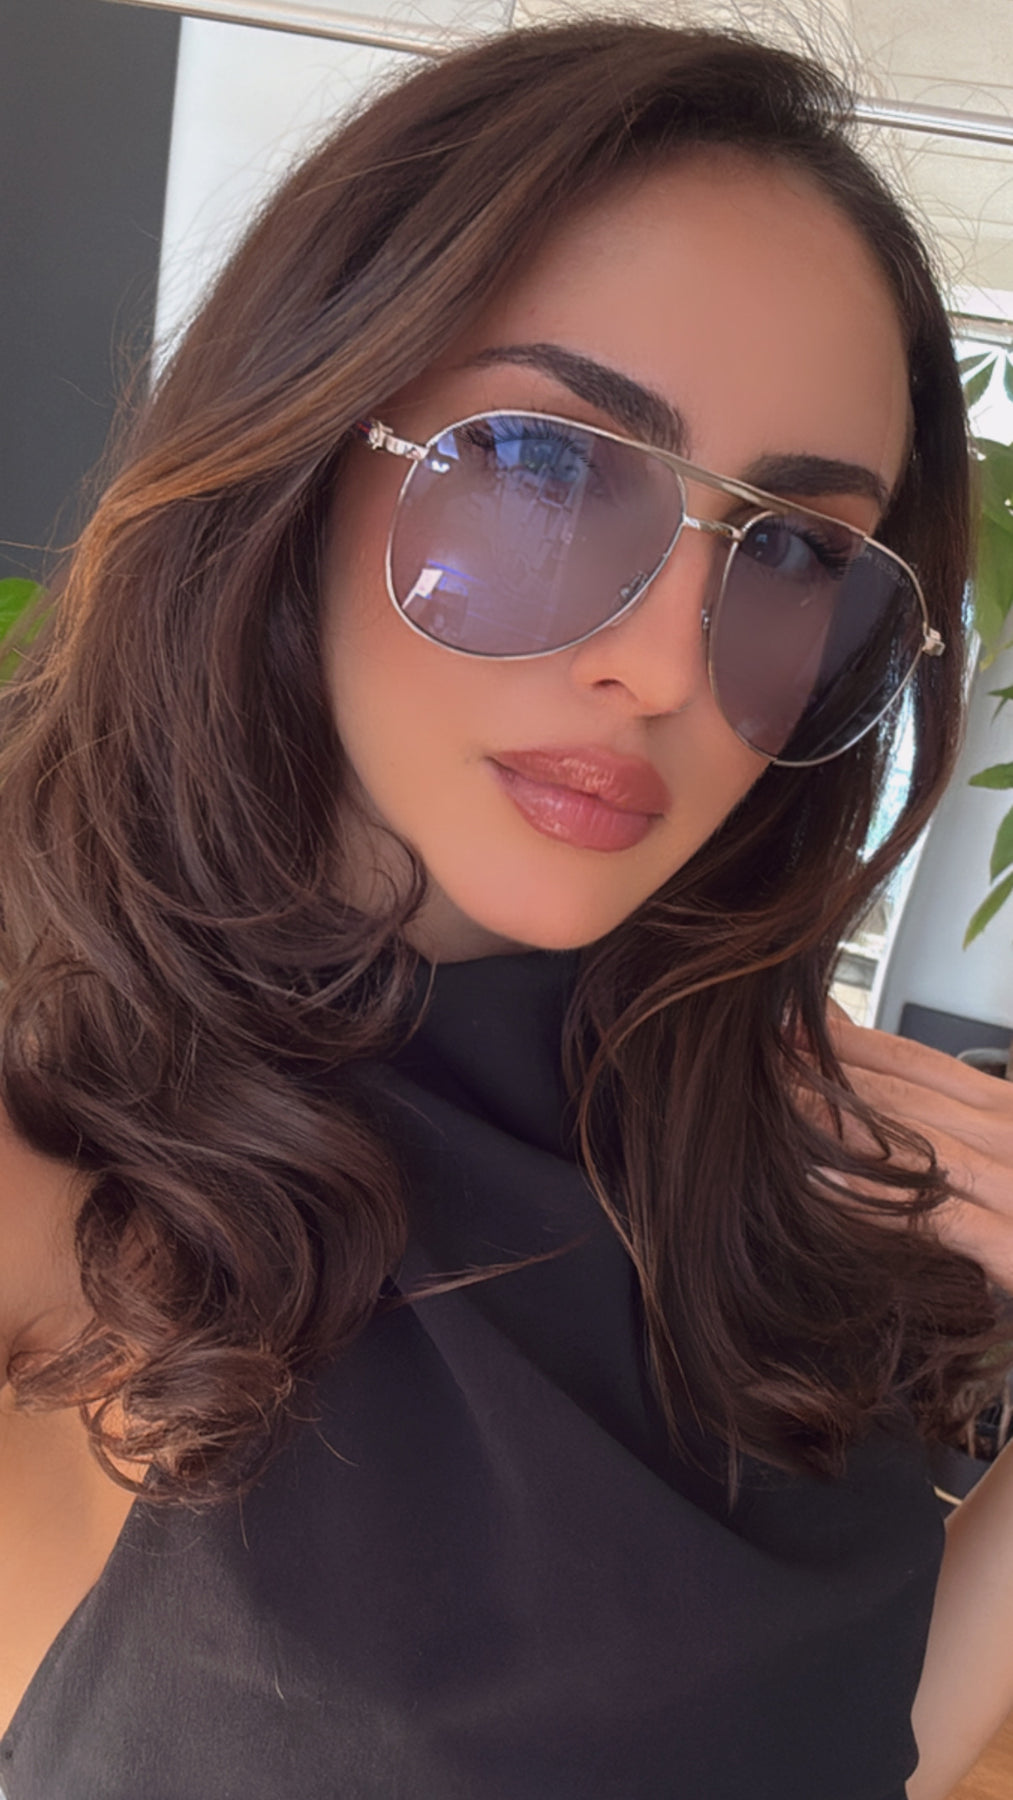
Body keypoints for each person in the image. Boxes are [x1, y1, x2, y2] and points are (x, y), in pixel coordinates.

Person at [0, 15, 1011, 1799]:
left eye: (788, 548)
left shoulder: (765, 1125)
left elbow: (844, 1744)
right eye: (546, 464)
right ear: (301, 443)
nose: (666, 663)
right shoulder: (57, 1150)